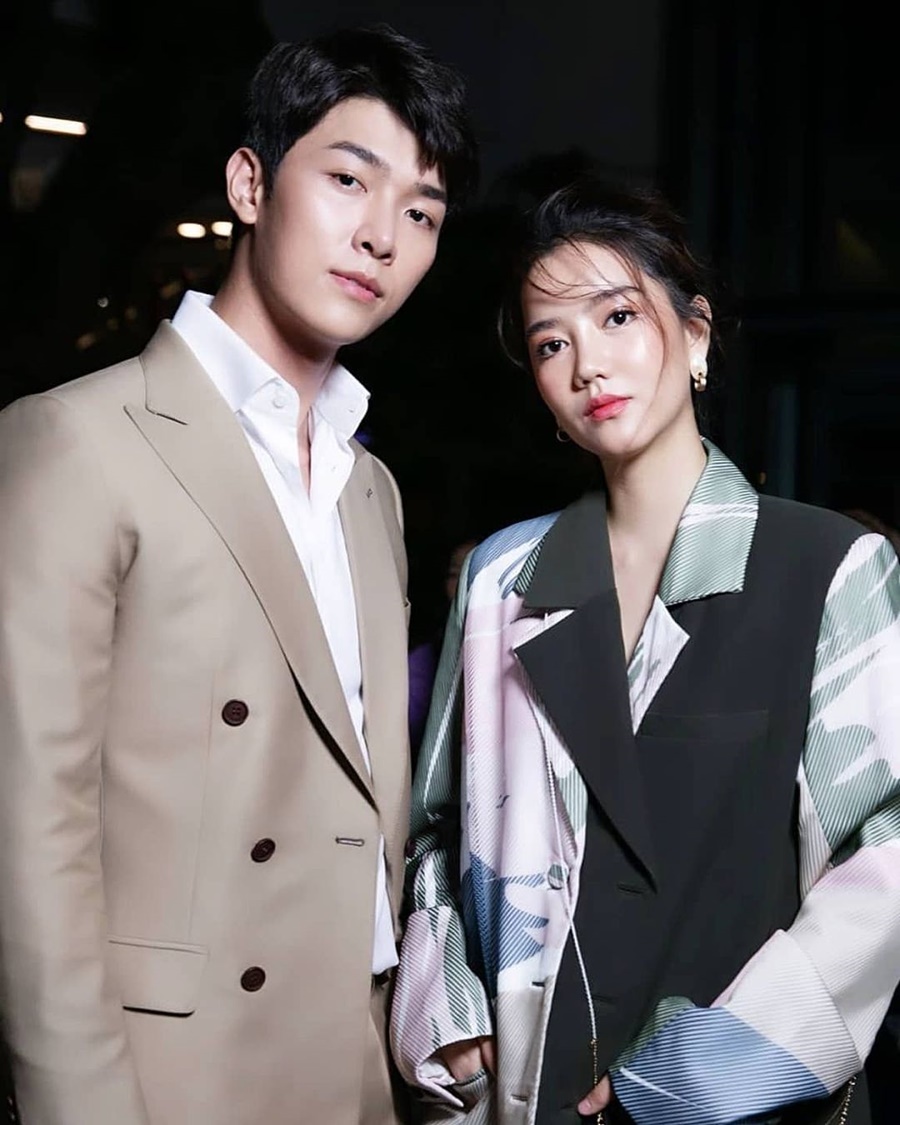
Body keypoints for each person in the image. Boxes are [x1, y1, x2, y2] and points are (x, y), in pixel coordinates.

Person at [0, 25, 476, 1125]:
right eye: (349, 180)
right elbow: (32, 833)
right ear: (250, 184)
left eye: (421, 214)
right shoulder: (77, 440)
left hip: (353, 1070)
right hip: (173, 1075)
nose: (381, 236)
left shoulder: (371, 488)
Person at [390, 178, 900, 1124]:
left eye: (618, 316)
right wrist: (448, 1015)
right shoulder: (503, 577)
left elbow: (885, 859)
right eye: (551, 343)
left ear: (696, 334)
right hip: (532, 1086)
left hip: (739, 1099)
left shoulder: (828, 565)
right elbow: (435, 828)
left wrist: (697, 1075)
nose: (588, 363)